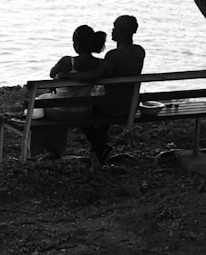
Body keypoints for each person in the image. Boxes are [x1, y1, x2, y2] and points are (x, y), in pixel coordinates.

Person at [58, 15, 145, 167]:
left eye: (115, 27)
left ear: (122, 31)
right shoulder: (139, 51)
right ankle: (98, 149)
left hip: (113, 107)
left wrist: (67, 75)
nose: (112, 30)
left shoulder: (114, 55)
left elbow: (93, 76)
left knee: (81, 109)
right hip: (131, 105)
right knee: (100, 103)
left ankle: (99, 145)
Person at [28, 25, 106, 158]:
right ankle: (55, 150)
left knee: (40, 107)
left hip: (62, 111)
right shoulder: (100, 63)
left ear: (77, 44)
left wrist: (60, 76)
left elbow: (52, 73)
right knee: (54, 103)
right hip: (84, 111)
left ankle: (37, 151)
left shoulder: (67, 61)